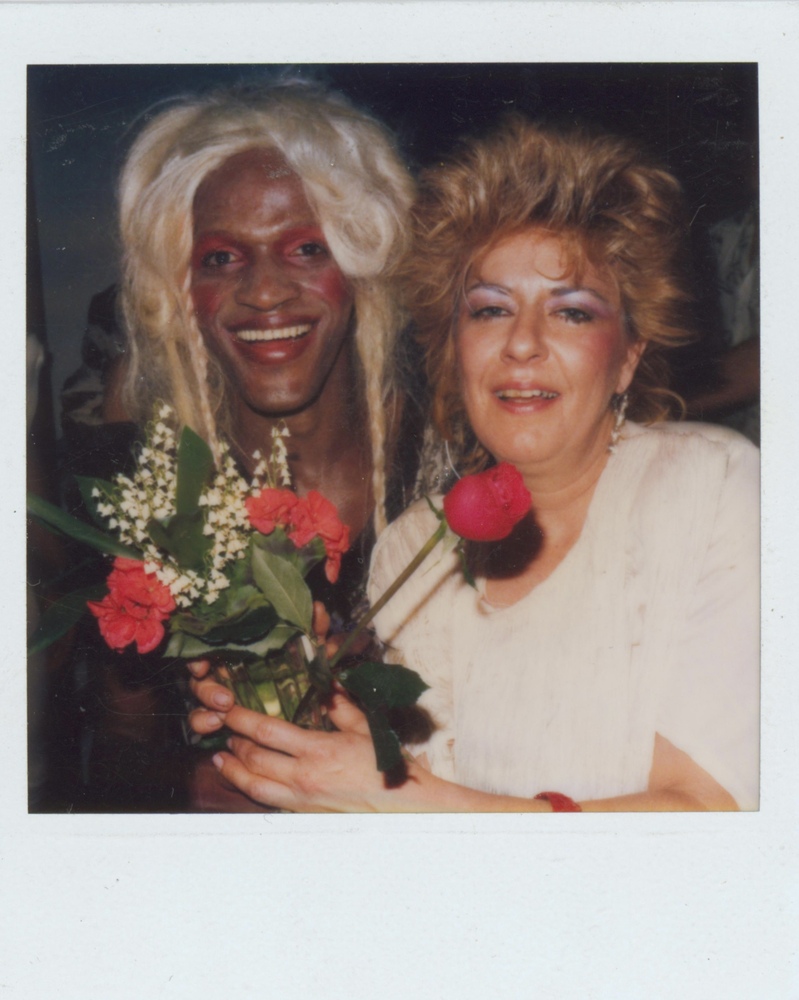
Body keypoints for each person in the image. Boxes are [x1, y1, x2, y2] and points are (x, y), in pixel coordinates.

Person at [189, 116, 759, 813]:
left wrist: (408, 807)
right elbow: (416, 796)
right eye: (489, 310)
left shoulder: (715, 487)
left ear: (628, 357)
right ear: (452, 347)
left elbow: (708, 818)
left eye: (572, 314)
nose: (521, 344)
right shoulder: (411, 548)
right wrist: (298, 699)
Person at [44, 80, 419, 811]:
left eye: (307, 248)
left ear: (362, 261)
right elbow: (104, 757)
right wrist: (192, 789)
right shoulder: (138, 504)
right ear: (178, 288)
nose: (265, 292)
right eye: (221, 258)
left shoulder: (453, 454)